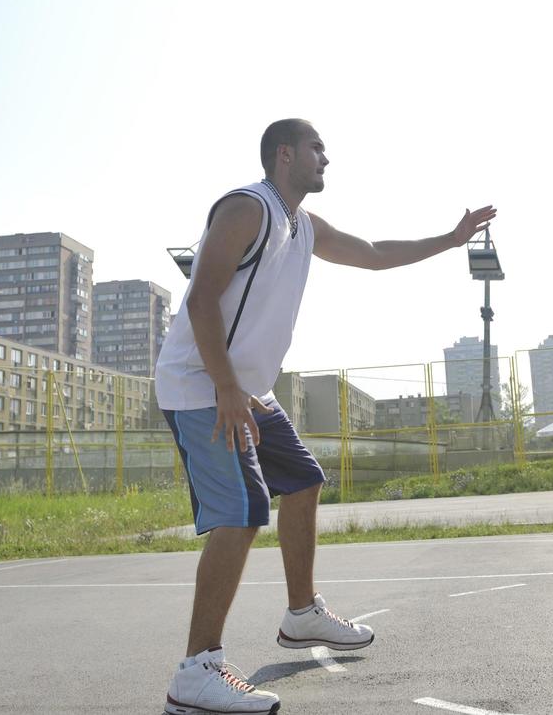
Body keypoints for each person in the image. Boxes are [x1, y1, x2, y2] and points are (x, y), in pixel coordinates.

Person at [158, 118, 495, 715]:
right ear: (284, 155)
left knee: (305, 481)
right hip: (202, 386)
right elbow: (203, 297)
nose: (326, 158)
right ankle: (197, 670)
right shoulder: (245, 209)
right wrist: (226, 386)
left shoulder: (303, 226)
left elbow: (372, 255)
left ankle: (301, 615)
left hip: (246, 388)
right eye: (317, 148)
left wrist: (451, 237)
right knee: (240, 513)